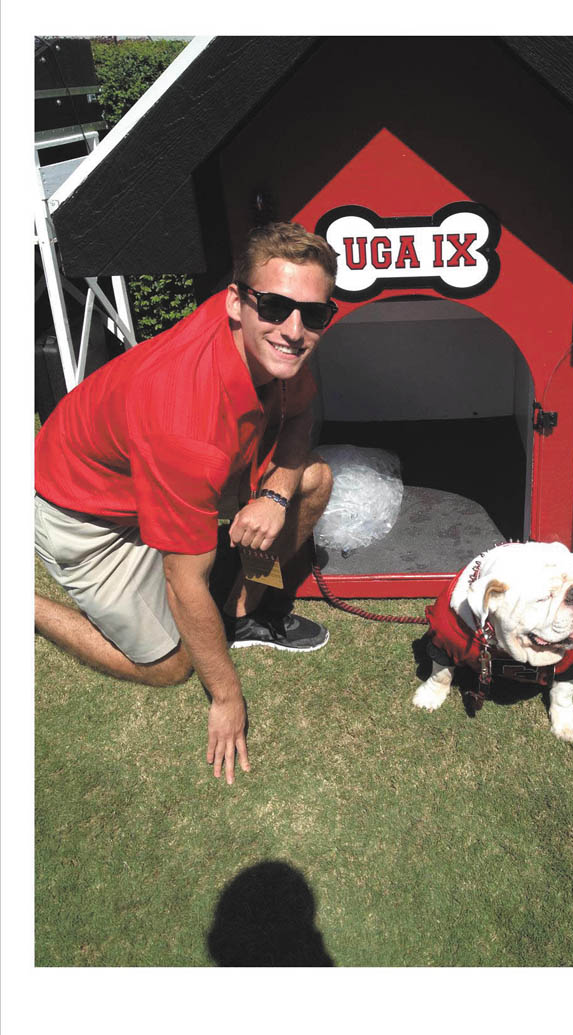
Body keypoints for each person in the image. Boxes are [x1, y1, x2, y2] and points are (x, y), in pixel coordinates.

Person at [34, 221, 339, 785]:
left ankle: (241, 613)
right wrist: (226, 697)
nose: (294, 330)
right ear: (236, 303)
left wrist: (273, 494)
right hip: (86, 511)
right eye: (274, 307)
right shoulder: (188, 425)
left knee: (311, 480)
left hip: (167, 470)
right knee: (173, 665)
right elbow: (182, 579)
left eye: (313, 314)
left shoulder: (277, 350)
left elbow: (300, 417)